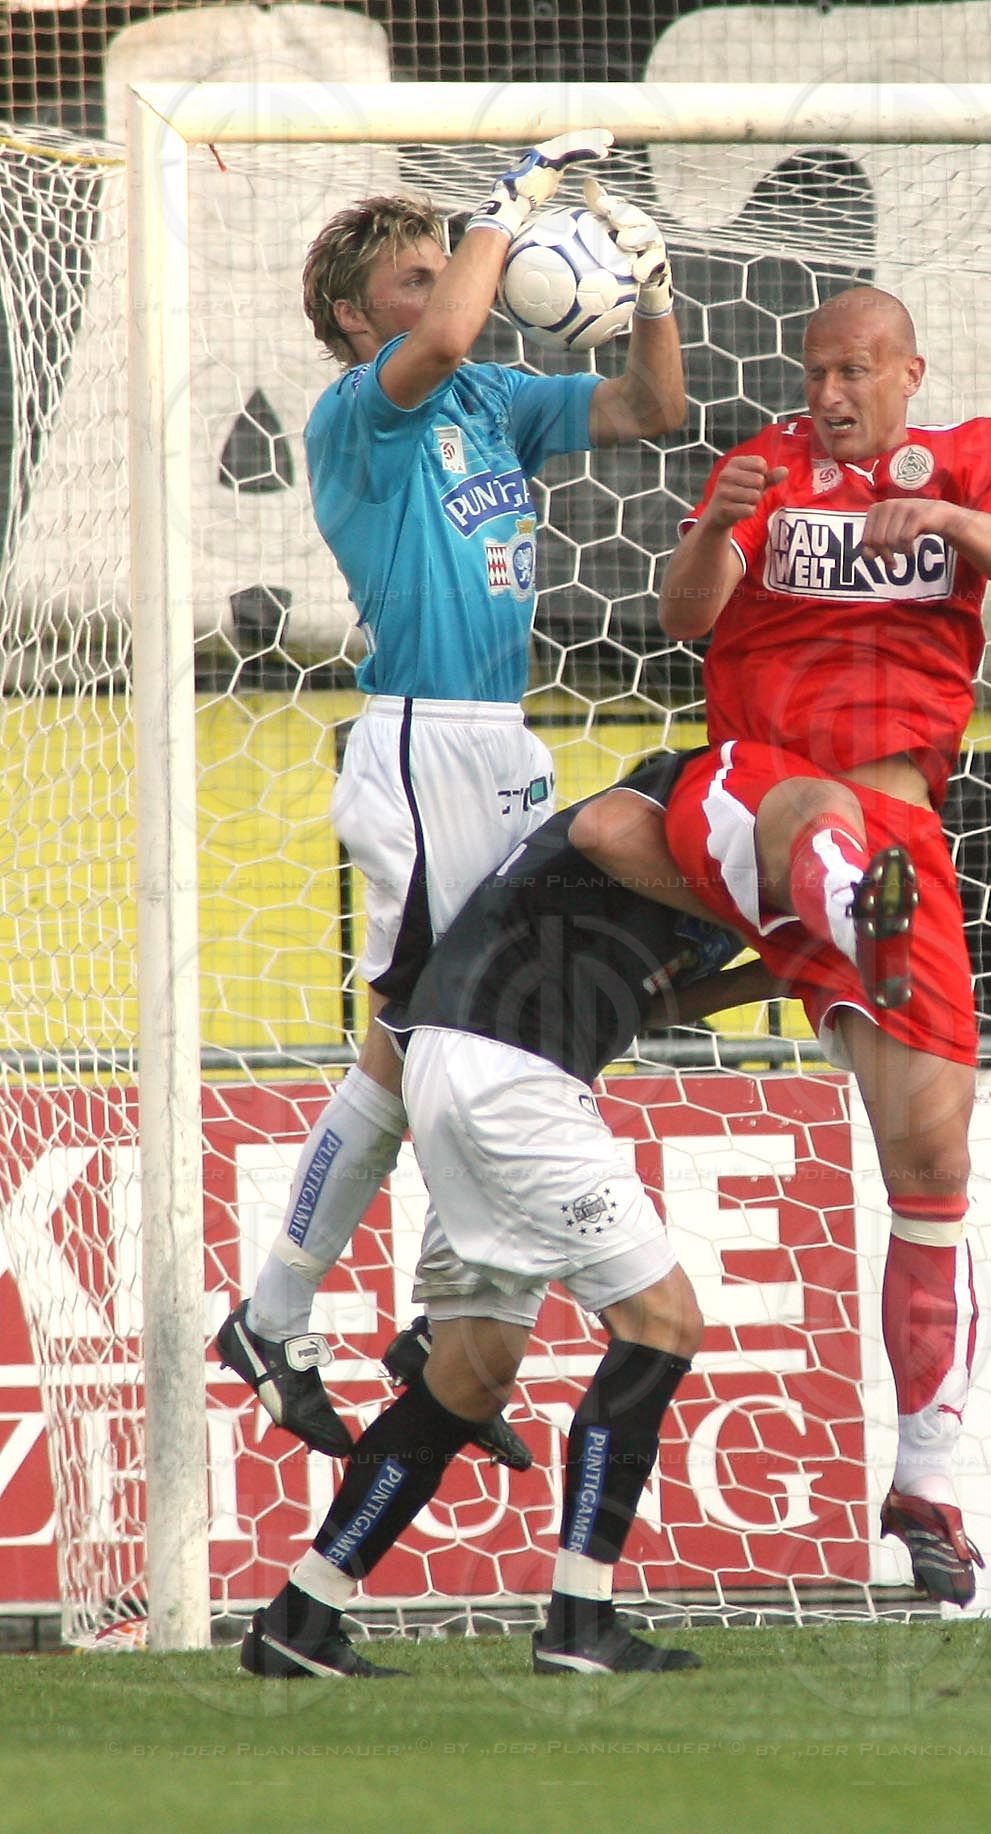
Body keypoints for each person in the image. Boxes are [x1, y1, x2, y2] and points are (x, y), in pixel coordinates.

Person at [215, 131, 688, 1465]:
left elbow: (654, 408)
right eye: (411, 278)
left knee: (470, 1024)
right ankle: (284, 1311)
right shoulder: (361, 410)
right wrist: (508, 204)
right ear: (356, 317)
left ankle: (401, 1316)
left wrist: (652, 289)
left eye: (443, 268)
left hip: (499, 742)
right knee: (426, 1029)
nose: (441, 291)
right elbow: (448, 331)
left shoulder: (492, 398)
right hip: (423, 742)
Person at [634, 284, 991, 1607]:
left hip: (902, 836)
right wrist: (711, 527)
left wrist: (947, 522)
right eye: (815, 370)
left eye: (856, 372)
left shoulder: (974, 459)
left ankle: (926, 1484)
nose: (829, 393)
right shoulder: (761, 468)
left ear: (908, 373)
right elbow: (686, 617)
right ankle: (809, 919)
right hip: (759, 787)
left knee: (933, 1167)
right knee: (620, 825)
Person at [241, 751, 778, 1679]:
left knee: (471, 1374)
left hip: (475, 1064)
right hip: (509, 1072)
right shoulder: (702, 790)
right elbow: (602, 829)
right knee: (662, 1322)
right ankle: (581, 1623)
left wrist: (777, 974)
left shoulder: (754, 869)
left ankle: (299, 1620)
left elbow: (647, 1005)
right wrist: (763, 919)